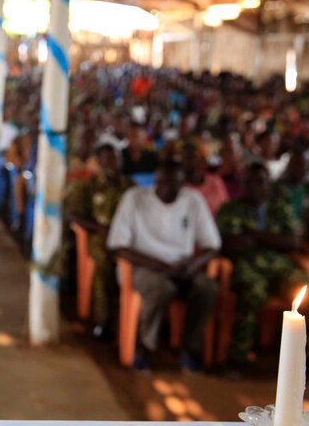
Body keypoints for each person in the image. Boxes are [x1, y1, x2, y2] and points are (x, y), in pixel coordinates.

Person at [107, 161, 221, 372]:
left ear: (182, 184)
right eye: (162, 183)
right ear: (155, 182)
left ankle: (189, 348)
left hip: (181, 267)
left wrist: (194, 264)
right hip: (142, 266)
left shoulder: (193, 200)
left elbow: (212, 245)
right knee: (161, 288)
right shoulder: (135, 198)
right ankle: (143, 347)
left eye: (174, 185)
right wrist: (159, 265)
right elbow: (118, 246)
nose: (168, 189)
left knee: (207, 288)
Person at [216, 163, 309, 375]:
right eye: (249, 182)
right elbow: (231, 243)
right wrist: (272, 239)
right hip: (246, 267)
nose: (255, 187)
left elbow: (293, 241)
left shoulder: (278, 208)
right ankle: (238, 358)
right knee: (253, 290)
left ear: (268, 185)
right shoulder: (230, 209)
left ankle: (308, 360)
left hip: (280, 269)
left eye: (260, 182)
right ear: (242, 184)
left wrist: (254, 234)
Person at [64, 143, 133, 338]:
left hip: (127, 239)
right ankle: (102, 319)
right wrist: (98, 228)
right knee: (103, 263)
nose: (113, 162)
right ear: (99, 161)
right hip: (100, 238)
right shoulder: (89, 185)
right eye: (108, 158)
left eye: (116, 158)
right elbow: (73, 215)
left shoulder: (129, 186)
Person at [182, 144, 229, 216]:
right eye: (186, 159)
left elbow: (226, 205)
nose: (190, 162)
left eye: (193, 158)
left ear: (201, 161)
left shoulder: (215, 181)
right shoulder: (181, 187)